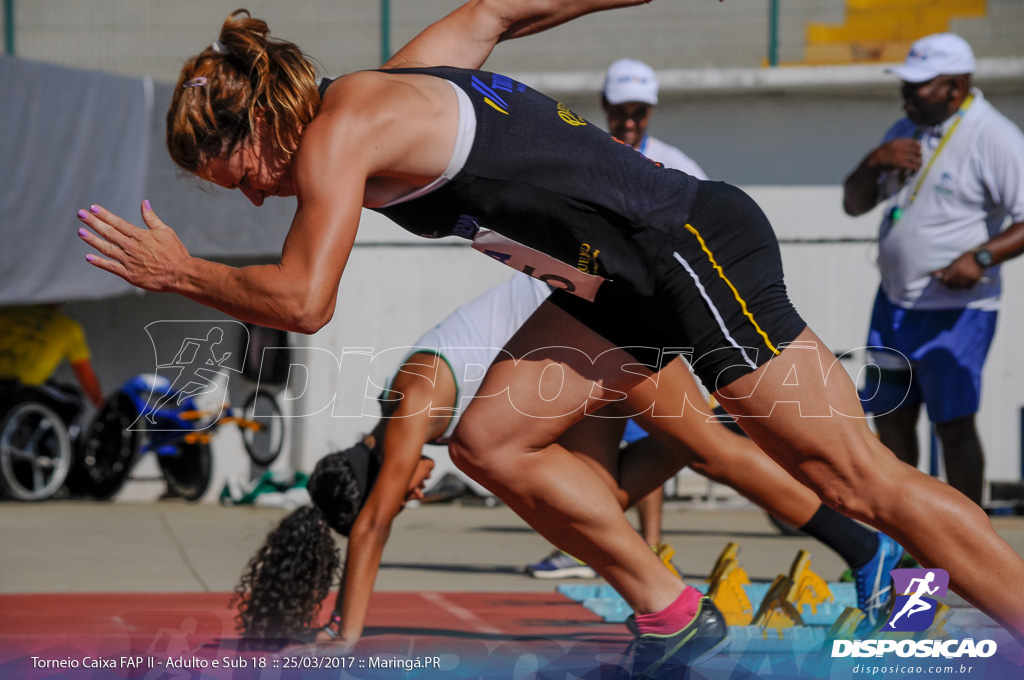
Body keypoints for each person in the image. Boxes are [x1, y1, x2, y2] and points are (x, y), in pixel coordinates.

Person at [76, 2, 1024, 672]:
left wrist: (180, 273)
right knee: (490, 441)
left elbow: (303, 299)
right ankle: (670, 613)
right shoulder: (393, 83)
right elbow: (498, 11)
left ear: (263, 121)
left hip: (682, 245)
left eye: (233, 171)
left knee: (855, 478)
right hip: (618, 291)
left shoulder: (334, 133)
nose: (246, 192)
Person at [236, 273, 905, 644]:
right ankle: (727, 419)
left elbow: (375, 523)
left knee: (712, 456)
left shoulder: (409, 405)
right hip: (566, 351)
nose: (415, 495)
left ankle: (867, 550)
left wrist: (347, 636)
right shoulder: (405, 418)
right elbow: (380, 510)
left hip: (590, 324)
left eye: (401, 492)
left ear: (375, 470)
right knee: (599, 497)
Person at [528, 57, 709, 580]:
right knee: (592, 435)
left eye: (638, 112)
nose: (629, 121)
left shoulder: (677, 166)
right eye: (620, 111)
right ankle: (615, 542)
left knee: (666, 434)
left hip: (651, 321)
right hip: (598, 319)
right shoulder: (588, 158)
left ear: (649, 111)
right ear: (605, 109)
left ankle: (643, 544)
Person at [843, 33, 1024, 506]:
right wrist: (873, 162)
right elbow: (853, 204)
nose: (906, 94)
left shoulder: (995, 137)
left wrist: (980, 258)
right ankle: (909, 541)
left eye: (919, 86)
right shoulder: (903, 131)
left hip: (957, 312)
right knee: (891, 418)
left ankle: (966, 547)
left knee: (953, 425)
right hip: (893, 307)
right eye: (906, 83)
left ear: (955, 86)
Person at [0, 304, 104, 420]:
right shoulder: (68, 327)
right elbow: (85, 375)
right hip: (28, 388)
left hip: (5, 387)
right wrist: (101, 406)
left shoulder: (6, 314)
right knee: (74, 402)